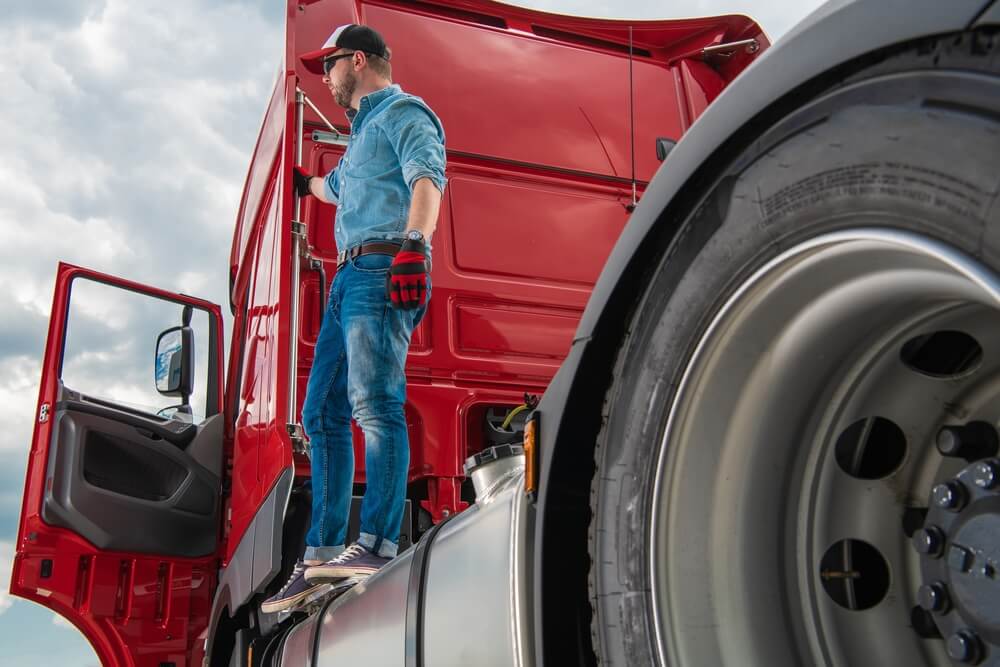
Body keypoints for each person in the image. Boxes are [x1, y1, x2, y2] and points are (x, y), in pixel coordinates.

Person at [262, 23, 446, 614]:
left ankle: (377, 545)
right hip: (346, 278)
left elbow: (428, 177)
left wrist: (415, 244)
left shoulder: (403, 113)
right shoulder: (361, 135)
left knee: (374, 404)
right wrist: (301, 184)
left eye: (330, 64)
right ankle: (321, 554)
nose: (326, 76)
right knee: (320, 412)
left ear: (359, 60)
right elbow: (334, 187)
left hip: (384, 268)